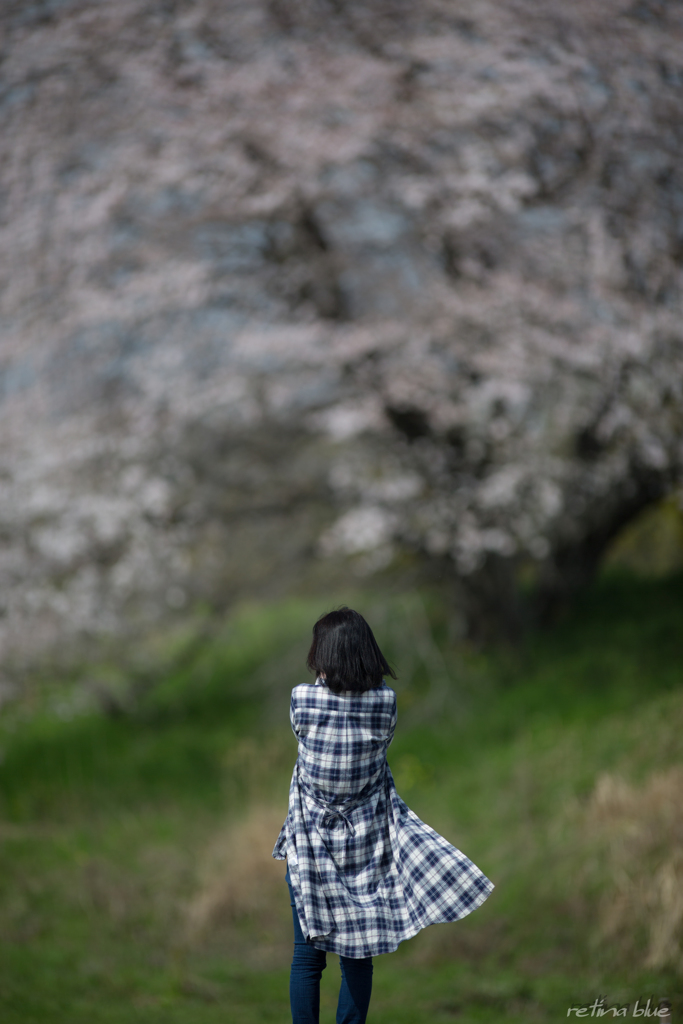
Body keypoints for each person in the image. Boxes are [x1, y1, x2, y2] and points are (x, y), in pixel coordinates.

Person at [273, 607, 494, 1024]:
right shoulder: (385, 703)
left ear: (325, 654)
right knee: (358, 956)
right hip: (366, 845)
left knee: (306, 956)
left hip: (311, 844)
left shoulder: (302, 699)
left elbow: (303, 738)